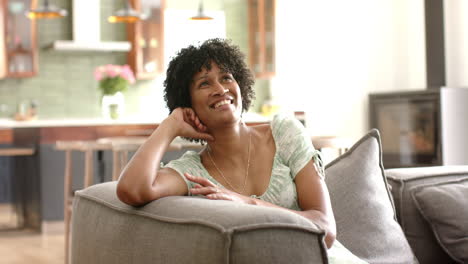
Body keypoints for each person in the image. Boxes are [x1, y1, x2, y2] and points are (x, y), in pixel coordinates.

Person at [116, 38, 367, 263]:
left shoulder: (283, 133)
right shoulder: (193, 172)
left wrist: (247, 204)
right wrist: (169, 126)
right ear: (187, 104)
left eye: (226, 77)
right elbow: (131, 189)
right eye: (204, 83)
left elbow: (326, 229)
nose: (220, 88)